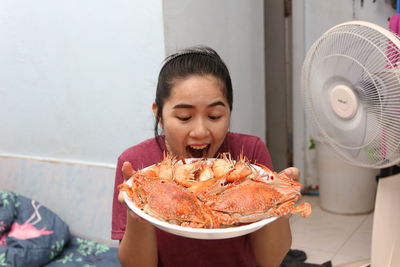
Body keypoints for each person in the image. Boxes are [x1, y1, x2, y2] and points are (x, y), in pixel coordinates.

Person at [112, 46, 300, 267]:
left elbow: (270, 261)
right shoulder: (136, 166)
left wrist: (278, 210)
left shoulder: (251, 155)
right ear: (159, 114)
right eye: (184, 117)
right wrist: (137, 213)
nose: (200, 131)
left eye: (214, 115)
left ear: (229, 111)